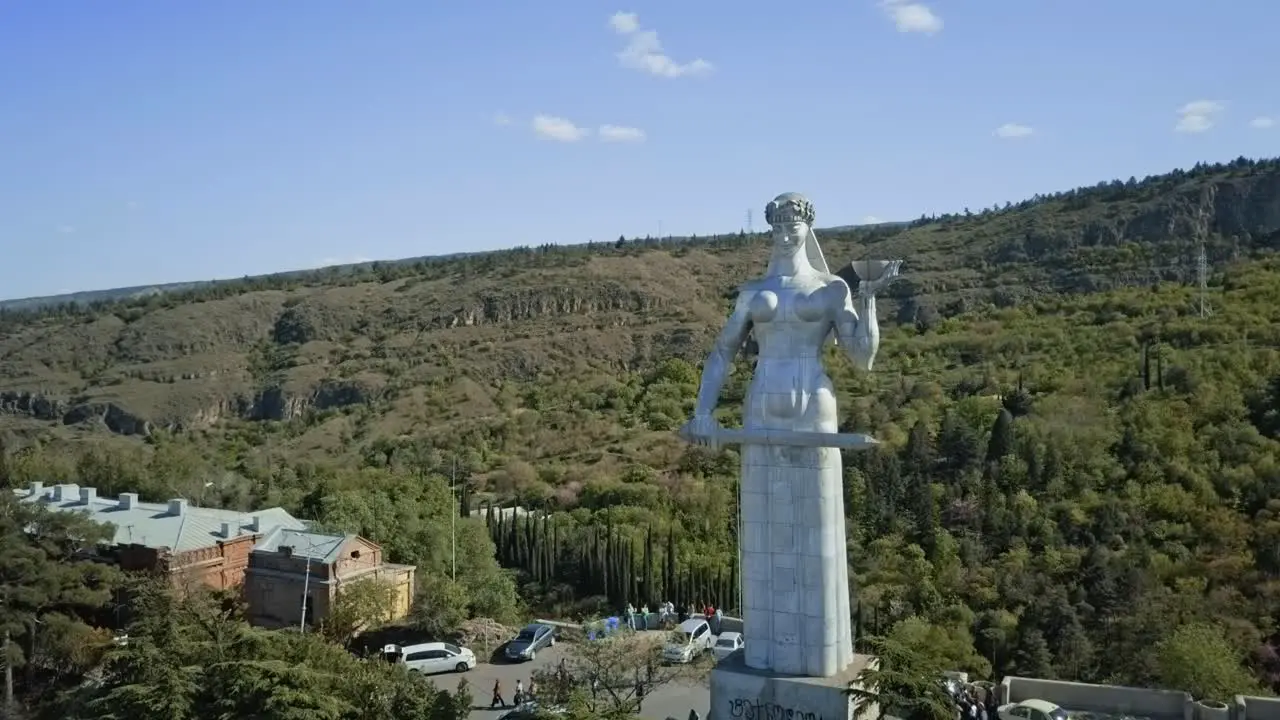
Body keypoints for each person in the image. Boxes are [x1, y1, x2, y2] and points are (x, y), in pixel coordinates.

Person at [683, 192, 900, 676]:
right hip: (761, 409)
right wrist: (702, 412)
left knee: (816, 539)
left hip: (814, 410)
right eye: (777, 226)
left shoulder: (830, 290)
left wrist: (866, 297)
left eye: (792, 225)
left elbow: (862, 358)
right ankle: (765, 654)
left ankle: (820, 658)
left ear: (807, 228)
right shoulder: (753, 292)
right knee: (762, 538)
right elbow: (722, 353)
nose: (784, 234)